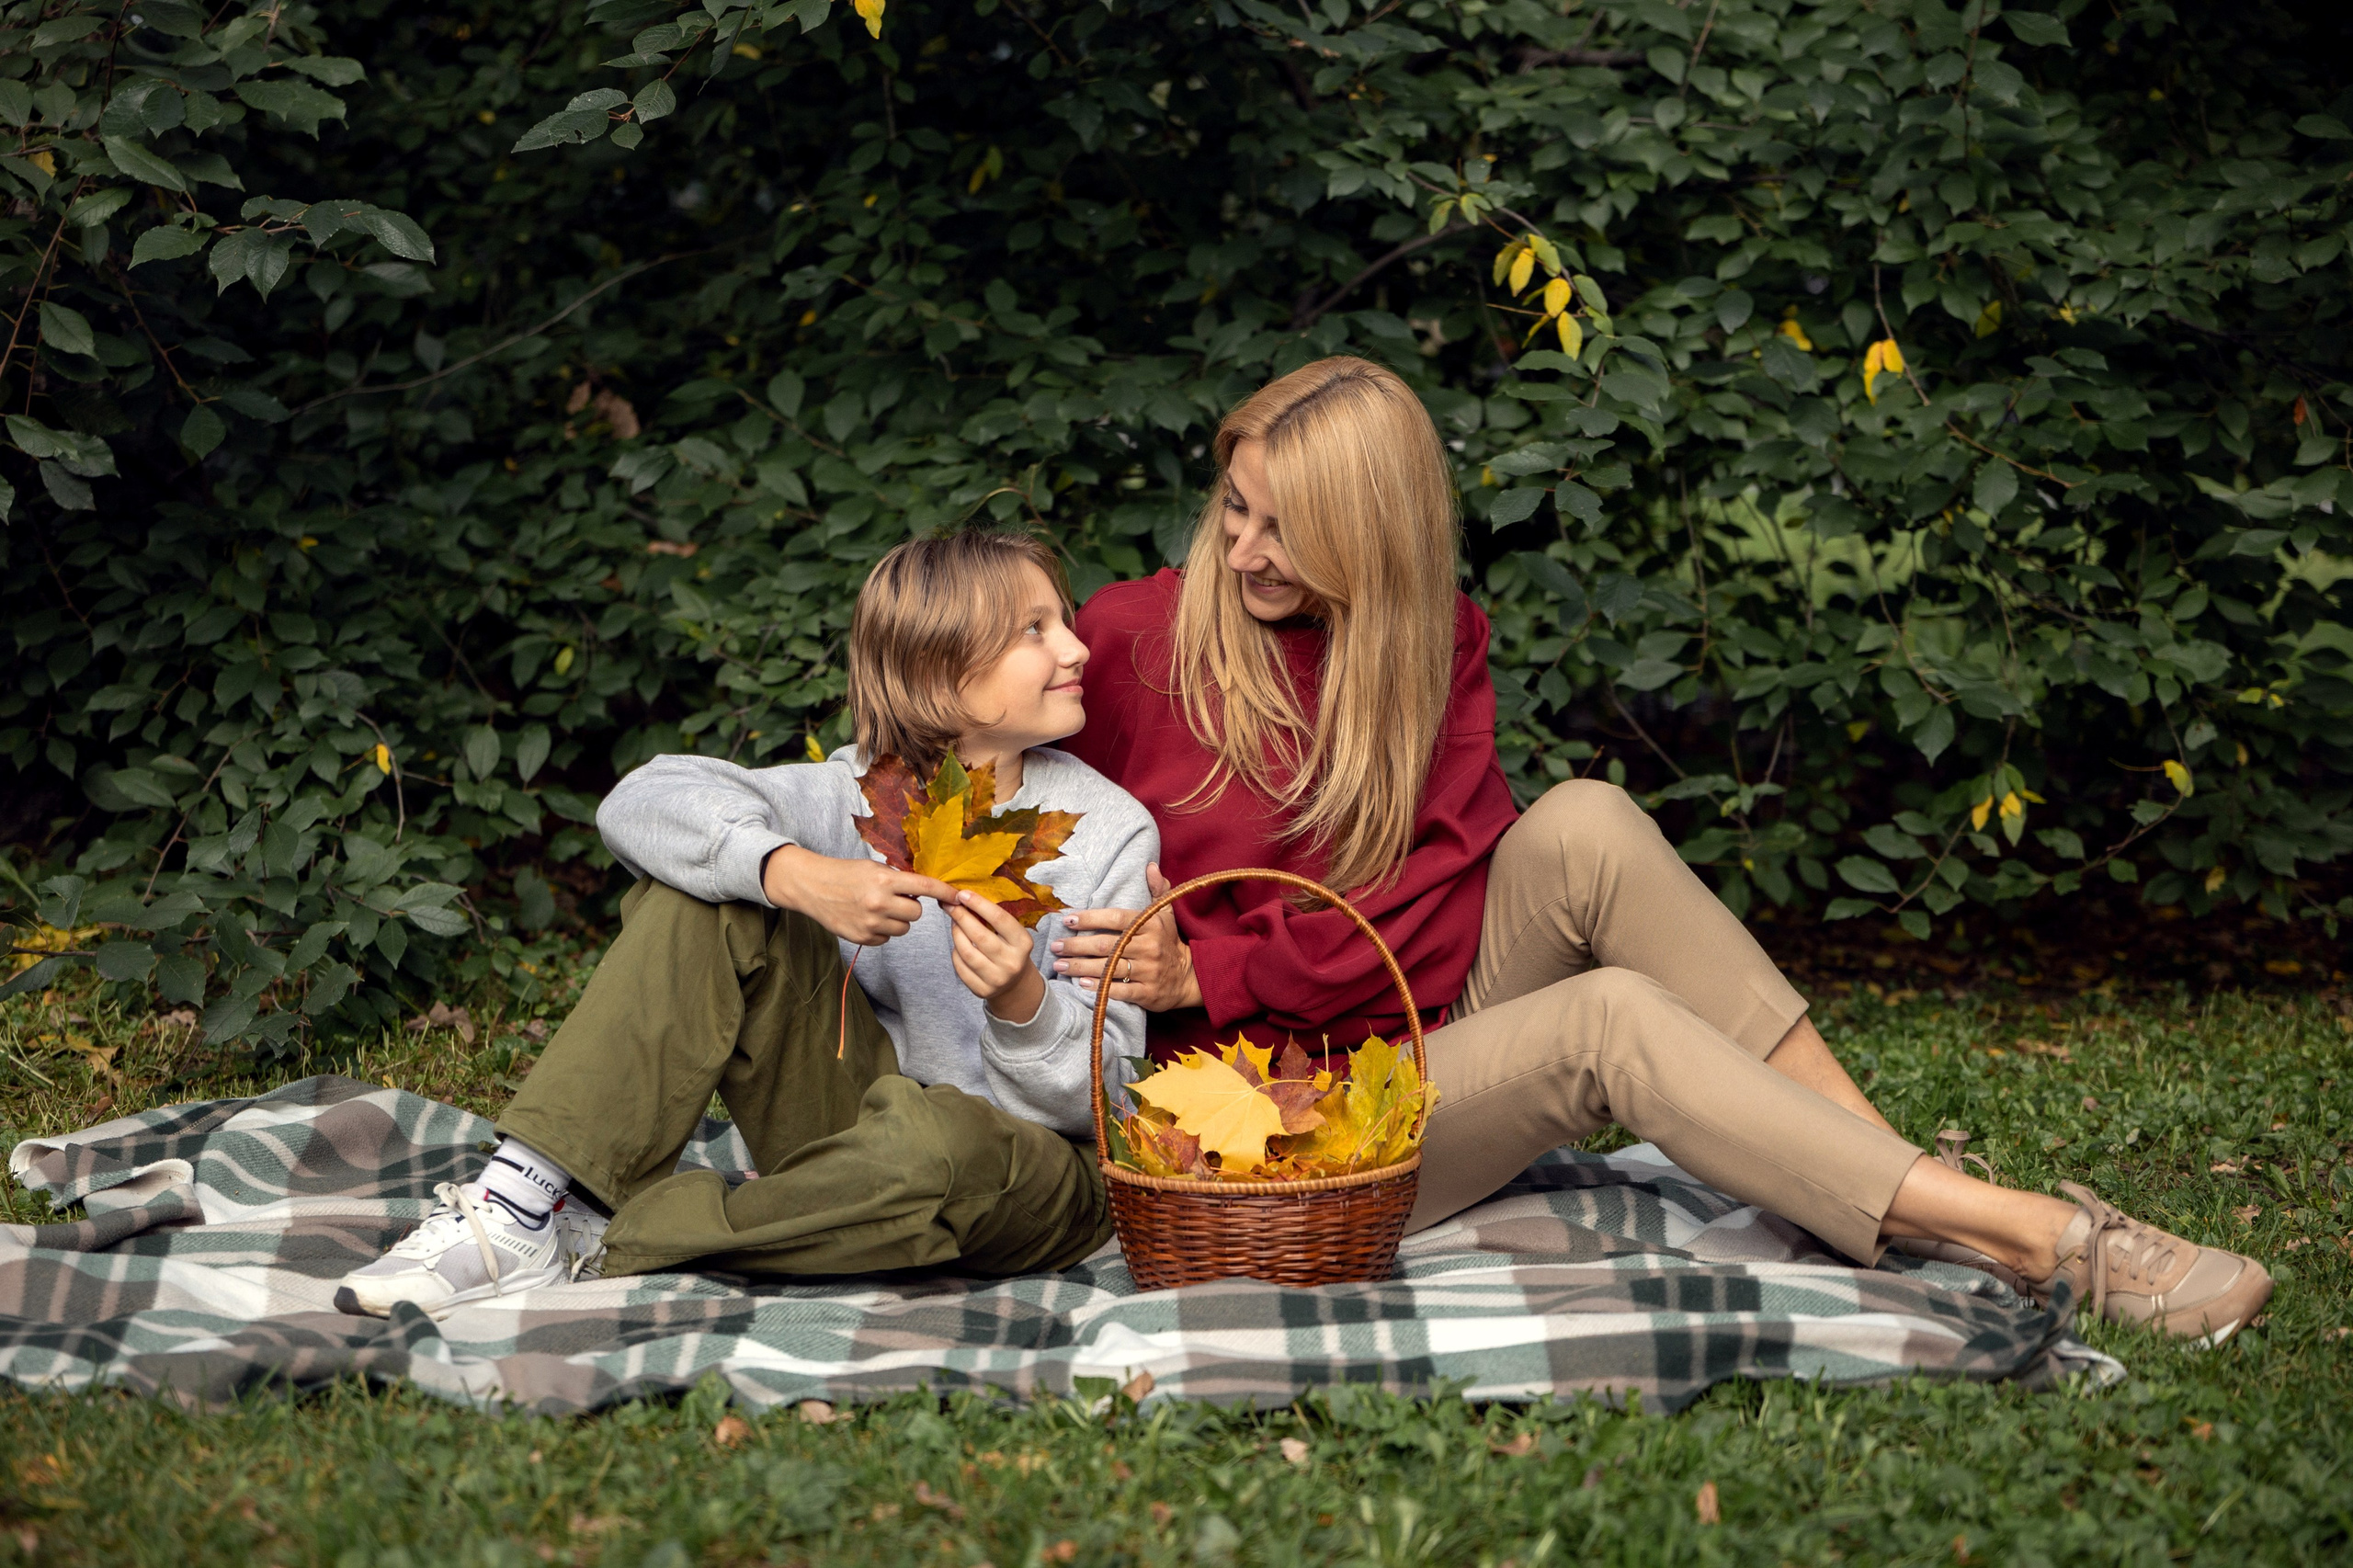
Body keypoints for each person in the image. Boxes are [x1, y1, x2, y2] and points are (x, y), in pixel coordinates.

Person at [1053, 356, 2273, 1346]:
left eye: (1290, 528)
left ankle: (1888, 1182)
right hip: (1271, 1131)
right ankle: (2037, 1239)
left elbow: (1433, 900)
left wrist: (1228, 960)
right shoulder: (1124, 643)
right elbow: (980, 788)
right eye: (1236, 508)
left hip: (1402, 1027)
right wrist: (1181, 978)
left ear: (1374, 540)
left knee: (1584, 818)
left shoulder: (1432, 645)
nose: (1246, 550)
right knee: (1607, 1021)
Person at [336, 532, 1155, 1317]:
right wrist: (794, 874)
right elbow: (645, 800)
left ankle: (618, 1236)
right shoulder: (855, 796)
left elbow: (1110, 1103)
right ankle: (516, 1209)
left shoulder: (1109, 831)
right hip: (848, 1125)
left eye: (1063, 622)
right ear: (937, 666)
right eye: (1034, 630)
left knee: (937, 1147)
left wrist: (1022, 1004)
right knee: (711, 886)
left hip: (1024, 1169)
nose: (1077, 650)